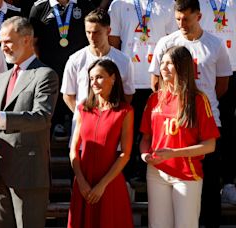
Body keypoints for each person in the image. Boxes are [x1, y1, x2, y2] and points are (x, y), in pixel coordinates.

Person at [148, 0, 232, 226]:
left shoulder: (214, 44)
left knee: (211, 183)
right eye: (177, 19)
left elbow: (222, 84)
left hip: (207, 118)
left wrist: (197, 105)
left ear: (199, 15)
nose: (181, 23)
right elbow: (156, 81)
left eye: (186, 18)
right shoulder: (167, 42)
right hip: (173, 123)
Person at [0, 16, 59, 228]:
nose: (3, 47)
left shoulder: (45, 75)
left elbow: (42, 117)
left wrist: (0, 118)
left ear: (27, 40)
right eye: (1, 42)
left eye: (8, 42)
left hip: (28, 172)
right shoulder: (1, 78)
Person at [140, 46, 220, 228]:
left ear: (182, 66)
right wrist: (145, 155)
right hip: (156, 172)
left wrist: (173, 153)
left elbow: (210, 145)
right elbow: (145, 139)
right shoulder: (154, 98)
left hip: (186, 174)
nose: (164, 67)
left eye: (170, 63)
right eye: (162, 63)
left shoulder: (198, 100)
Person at [108, 0, 177, 181]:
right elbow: (113, 42)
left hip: (157, 80)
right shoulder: (119, 4)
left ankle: (154, 171)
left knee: (155, 129)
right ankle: (127, 174)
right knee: (128, 130)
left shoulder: (168, 4)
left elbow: (173, 43)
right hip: (129, 80)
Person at [67, 59, 134, 228]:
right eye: (91, 78)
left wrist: (102, 185)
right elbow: (74, 149)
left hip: (109, 183)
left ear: (112, 78)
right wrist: (81, 181)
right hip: (83, 182)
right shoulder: (83, 108)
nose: (94, 83)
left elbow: (125, 154)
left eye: (99, 77)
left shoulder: (125, 111)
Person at [61, 9, 135, 144]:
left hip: (112, 134)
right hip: (83, 134)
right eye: (88, 32)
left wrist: (112, 117)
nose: (91, 37)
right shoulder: (75, 59)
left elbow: (127, 95)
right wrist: (84, 115)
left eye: (96, 32)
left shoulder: (123, 60)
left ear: (108, 31)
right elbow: (68, 95)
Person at [29, 0, 94, 141]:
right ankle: (56, 125)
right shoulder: (40, 7)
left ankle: (79, 126)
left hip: (79, 67)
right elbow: (33, 41)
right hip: (50, 66)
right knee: (52, 100)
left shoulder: (84, 5)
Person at [198, 0, 236, 205]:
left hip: (233, 68)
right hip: (204, 68)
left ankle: (229, 182)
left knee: (229, 127)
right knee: (204, 127)